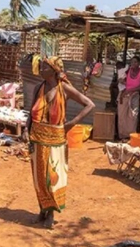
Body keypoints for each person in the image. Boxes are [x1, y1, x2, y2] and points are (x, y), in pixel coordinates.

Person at [26, 57, 94, 229]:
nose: (40, 69)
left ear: (54, 69)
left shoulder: (64, 88)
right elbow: (30, 113)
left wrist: (71, 123)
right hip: (37, 138)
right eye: (40, 66)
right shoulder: (38, 88)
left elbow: (89, 105)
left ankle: (51, 213)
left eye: (44, 67)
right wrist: (27, 134)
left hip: (56, 139)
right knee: (39, 178)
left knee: (53, 178)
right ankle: (42, 210)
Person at [117, 56, 140, 141]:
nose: (133, 64)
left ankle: (131, 136)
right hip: (125, 95)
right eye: (132, 62)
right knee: (122, 115)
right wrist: (122, 81)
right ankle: (122, 135)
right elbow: (124, 81)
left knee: (133, 115)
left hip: (135, 95)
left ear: (139, 63)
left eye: (135, 62)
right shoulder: (128, 70)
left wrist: (130, 90)